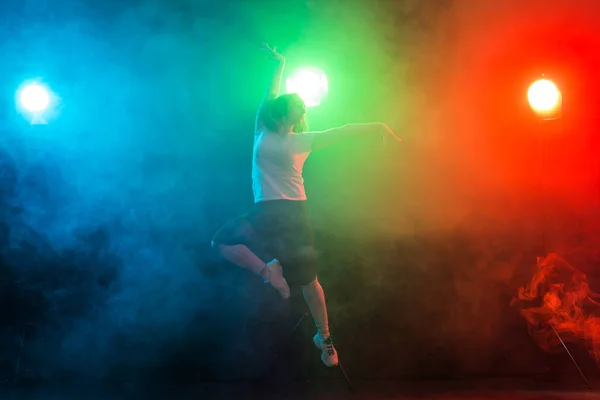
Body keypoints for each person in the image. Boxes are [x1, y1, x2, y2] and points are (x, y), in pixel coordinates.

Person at [211, 43, 402, 368]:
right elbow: (270, 91)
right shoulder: (262, 130)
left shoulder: (305, 140)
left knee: (309, 281)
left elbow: (342, 131)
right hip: (264, 210)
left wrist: (377, 126)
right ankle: (268, 270)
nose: (302, 113)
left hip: (294, 213)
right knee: (222, 241)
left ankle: (324, 336)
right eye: (297, 108)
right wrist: (280, 64)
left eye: (302, 109)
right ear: (282, 112)